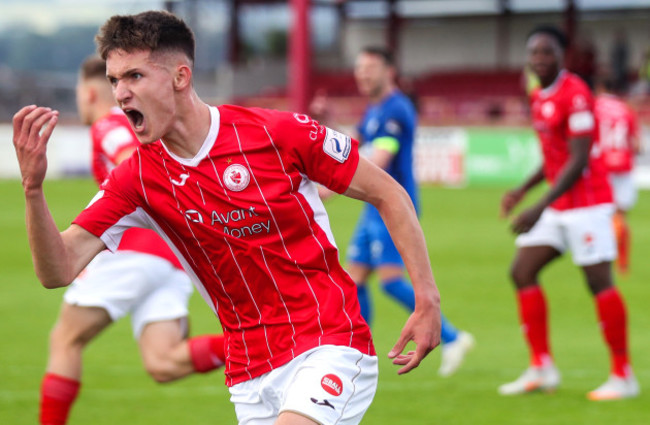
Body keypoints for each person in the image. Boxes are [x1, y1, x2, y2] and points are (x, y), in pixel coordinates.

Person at [13, 11, 441, 425]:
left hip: (328, 341)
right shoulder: (137, 178)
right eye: (113, 80)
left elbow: (390, 194)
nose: (120, 93)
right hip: (250, 372)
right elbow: (59, 269)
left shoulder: (277, 133)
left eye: (134, 77)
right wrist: (33, 192)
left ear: (181, 77)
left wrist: (427, 300)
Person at [38, 55, 226, 425]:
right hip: (169, 259)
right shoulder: (133, 126)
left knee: (65, 340)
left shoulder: (110, 125)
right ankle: (258, 341)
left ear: (89, 92)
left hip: (130, 252)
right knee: (164, 362)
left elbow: (134, 162)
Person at [313, 47, 473, 378]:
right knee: (354, 278)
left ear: (389, 71)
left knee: (389, 281)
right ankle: (358, 352)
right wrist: (329, 122)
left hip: (392, 207)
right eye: (359, 69)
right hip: (373, 209)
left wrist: (329, 188)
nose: (363, 74)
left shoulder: (396, 109)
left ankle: (454, 338)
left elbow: (380, 158)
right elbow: (356, 143)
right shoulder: (376, 108)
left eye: (370, 68)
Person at [499, 25, 639, 401]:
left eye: (547, 52)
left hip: (589, 203)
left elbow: (577, 161)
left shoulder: (575, 94)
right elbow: (553, 158)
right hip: (559, 206)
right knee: (522, 271)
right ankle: (542, 367)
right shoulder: (537, 95)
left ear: (563, 57)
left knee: (598, 282)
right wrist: (521, 191)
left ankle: (623, 375)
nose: (539, 59)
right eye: (534, 53)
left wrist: (536, 206)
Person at [595, 79, 641, 275]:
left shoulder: (594, 107)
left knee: (602, 216)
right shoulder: (627, 110)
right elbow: (637, 144)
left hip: (602, 167)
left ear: (600, 88)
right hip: (623, 166)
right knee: (620, 216)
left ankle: (604, 256)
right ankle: (622, 262)